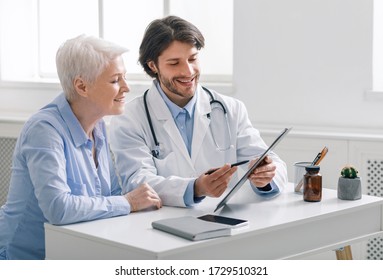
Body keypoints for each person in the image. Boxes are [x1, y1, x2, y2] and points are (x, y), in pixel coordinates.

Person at [0, 35, 162, 260]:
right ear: (82, 86)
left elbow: (112, 194)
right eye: (116, 80)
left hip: (72, 250)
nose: (126, 87)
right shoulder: (44, 130)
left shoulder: (98, 125)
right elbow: (59, 208)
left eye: (124, 78)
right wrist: (129, 202)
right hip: (22, 258)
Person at [109, 15, 288, 207]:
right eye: (174, 63)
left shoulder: (231, 109)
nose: (188, 71)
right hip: (159, 226)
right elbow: (137, 183)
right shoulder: (129, 118)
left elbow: (272, 163)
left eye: (193, 58)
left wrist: (266, 176)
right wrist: (195, 188)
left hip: (225, 223)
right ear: (153, 65)